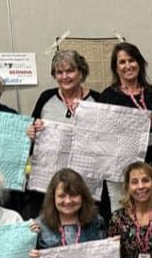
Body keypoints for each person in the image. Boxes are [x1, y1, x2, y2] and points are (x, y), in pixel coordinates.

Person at [28, 50, 102, 218]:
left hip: (86, 183)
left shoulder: (97, 100)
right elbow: (31, 134)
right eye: (59, 72)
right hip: (49, 182)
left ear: (81, 72)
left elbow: (106, 141)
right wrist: (32, 131)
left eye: (70, 71)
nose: (65, 76)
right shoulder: (46, 97)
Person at [99, 41, 152, 169]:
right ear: (116, 68)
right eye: (122, 62)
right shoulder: (108, 96)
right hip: (119, 166)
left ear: (139, 63)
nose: (128, 65)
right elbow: (102, 133)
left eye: (131, 60)